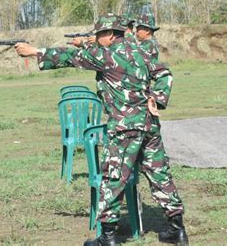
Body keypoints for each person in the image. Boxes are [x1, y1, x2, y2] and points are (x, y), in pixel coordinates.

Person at [14, 14, 188, 246]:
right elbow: (165, 73)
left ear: (109, 34)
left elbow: (69, 56)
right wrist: (157, 98)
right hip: (149, 126)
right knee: (160, 174)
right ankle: (177, 229)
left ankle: (108, 237)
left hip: (124, 128)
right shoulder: (141, 50)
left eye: (98, 35)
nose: (96, 39)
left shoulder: (106, 55)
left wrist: (35, 51)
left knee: (113, 178)